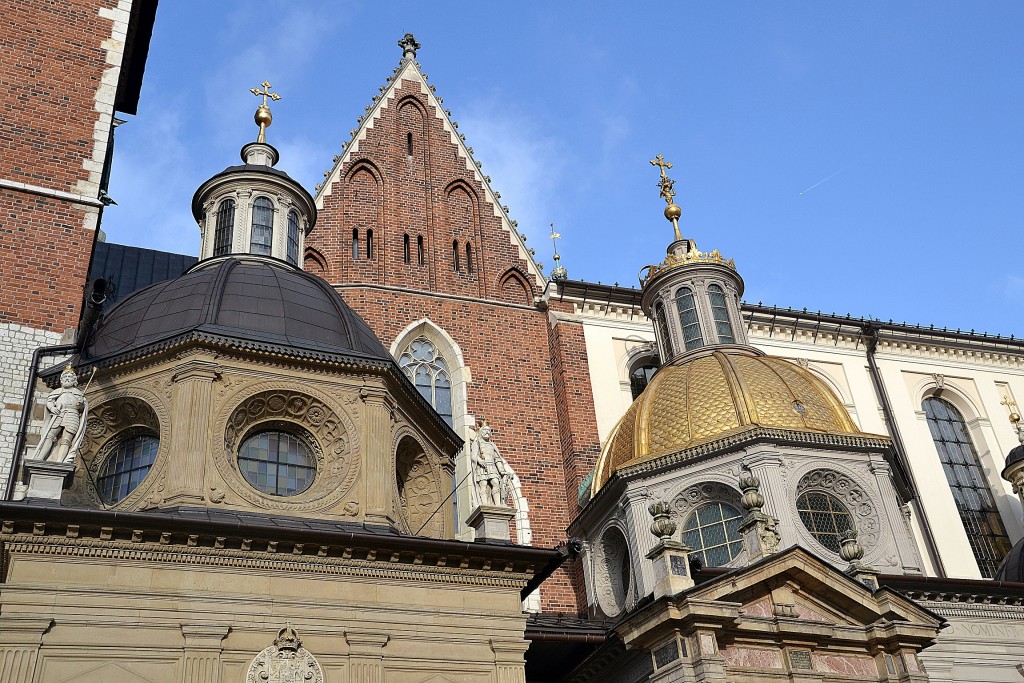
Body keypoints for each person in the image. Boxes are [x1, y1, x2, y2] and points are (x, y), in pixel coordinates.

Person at [32, 364, 88, 463]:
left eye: (69, 377)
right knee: (49, 436)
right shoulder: (58, 391)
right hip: (59, 414)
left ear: (74, 380)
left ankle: (60, 461)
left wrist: (80, 405)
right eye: (65, 377)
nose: (67, 379)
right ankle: (41, 457)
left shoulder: (78, 393)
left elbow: (82, 408)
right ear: (61, 380)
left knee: (66, 440)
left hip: (72, 416)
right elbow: (49, 401)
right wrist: (52, 408)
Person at [470, 421, 511, 507]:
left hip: (492, 466)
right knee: (483, 484)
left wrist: (502, 470)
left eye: (489, 430)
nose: (487, 432)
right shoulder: (477, 443)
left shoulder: (492, 445)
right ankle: (484, 504)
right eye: (485, 430)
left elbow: (497, 459)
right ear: (481, 432)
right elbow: (474, 456)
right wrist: (480, 461)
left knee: (496, 483)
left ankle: (498, 504)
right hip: (482, 467)